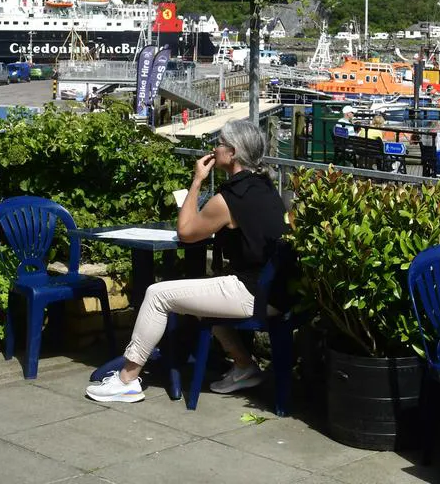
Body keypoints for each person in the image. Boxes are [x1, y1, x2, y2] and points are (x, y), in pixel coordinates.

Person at [86, 120, 292, 403]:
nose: (215, 148)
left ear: (232, 153)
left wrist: (196, 181)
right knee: (197, 296)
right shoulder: (264, 186)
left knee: (157, 294)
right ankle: (244, 365)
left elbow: (186, 232)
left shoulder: (229, 198)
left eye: (220, 143)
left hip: (256, 293)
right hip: (280, 290)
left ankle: (127, 379)